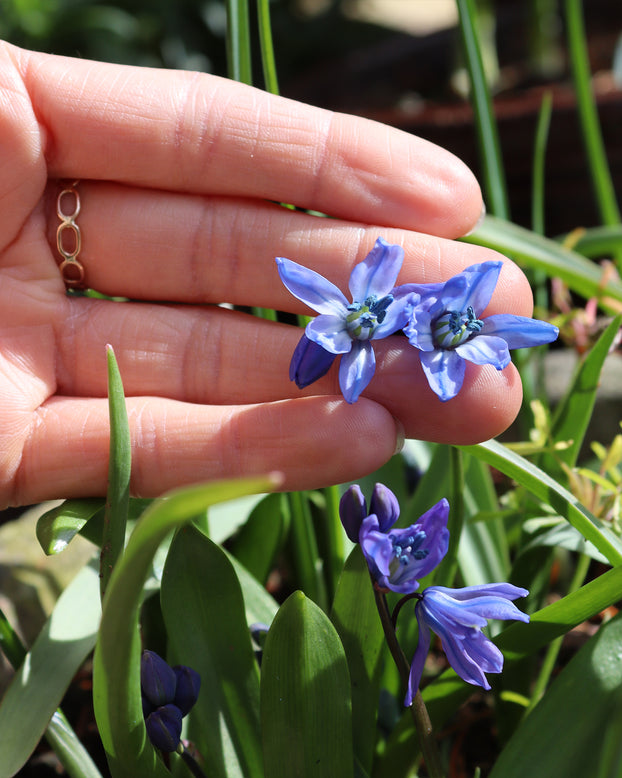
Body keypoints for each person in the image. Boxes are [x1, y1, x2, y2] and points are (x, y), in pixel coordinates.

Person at [0, 41, 532, 509]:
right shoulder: (341, 325)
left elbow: (390, 336)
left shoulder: (382, 340)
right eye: (366, 318)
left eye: (374, 319)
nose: (367, 319)